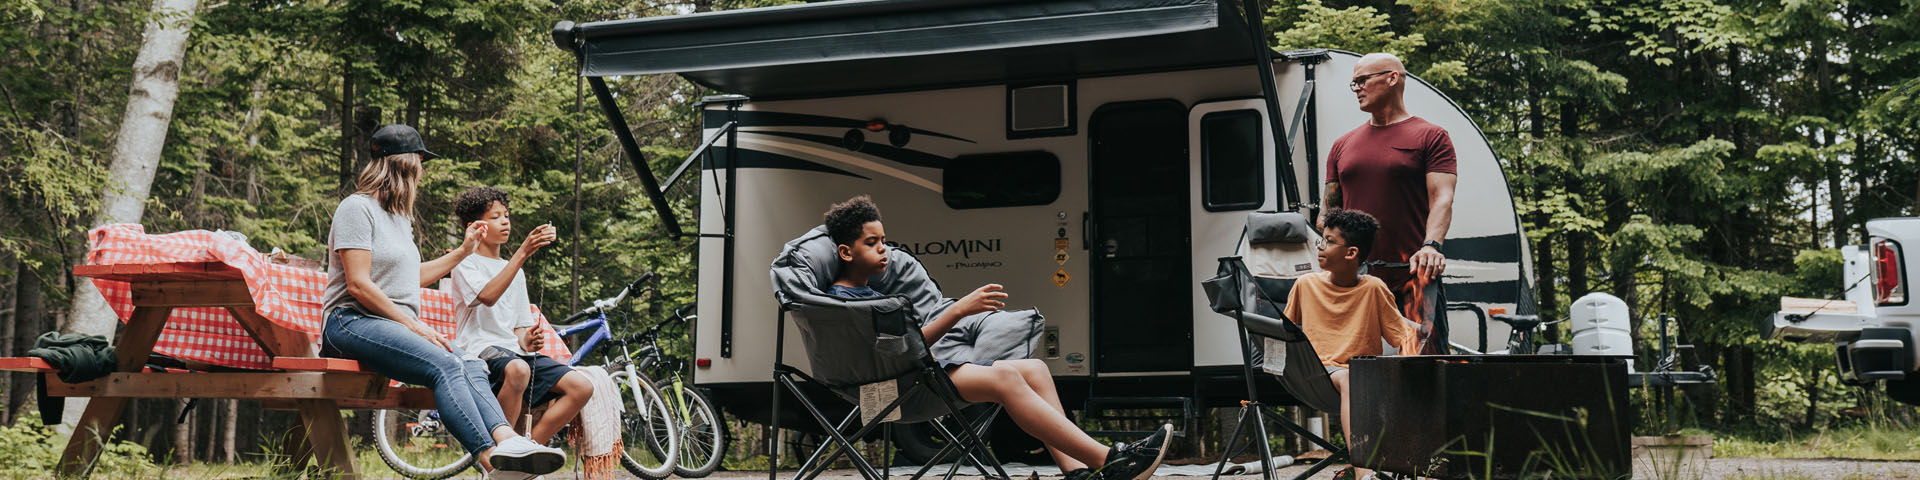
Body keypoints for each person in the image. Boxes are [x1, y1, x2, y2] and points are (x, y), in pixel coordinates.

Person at [818, 195, 1169, 480]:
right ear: (846, 253)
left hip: (919, 376)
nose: (884, 250)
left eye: (884, 241)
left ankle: (1077, 472)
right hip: (892, 393)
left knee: (1034, 368)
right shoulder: (845, 303)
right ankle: (1111, 461)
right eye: (872, 243)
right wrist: (958, 311)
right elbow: (892, 355)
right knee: (1005, 376)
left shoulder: (869, 293)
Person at [320, 125, 563, 480]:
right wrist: (413, 324)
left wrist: (464, 252)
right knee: (446, 364)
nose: (422, 171)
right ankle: (491, 462)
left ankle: (507, 442)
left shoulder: (400, 220)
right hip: (350, 322)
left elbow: (410, 278)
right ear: (403, 164)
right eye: (420, 162)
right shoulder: (356, 209)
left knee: (471, 364)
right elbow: (358, 285)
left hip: (389, 325)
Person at [1283, 209, 1422, 480]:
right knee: (1349, 378)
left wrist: (1428, 341)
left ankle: (1421, 465)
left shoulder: (1373, 288)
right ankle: (1363, 474)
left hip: (1365, 374)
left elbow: (1403, 337)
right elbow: (1284, 334)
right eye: (1321, 240)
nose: (1320, 247)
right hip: (1318, 373)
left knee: (1369, 376)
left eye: (1330, 241)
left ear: (1351, 253)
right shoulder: (1305, 285)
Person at [448, 186, 594, 444]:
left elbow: (519, 330)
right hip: (480, 350)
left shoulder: (514, 269)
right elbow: (488, 296)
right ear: (475, 226)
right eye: (495, 217)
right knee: (518, 369)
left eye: (506, 215)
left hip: (514, 353)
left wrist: (529, 340)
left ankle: (525, 450)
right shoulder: (464, 262)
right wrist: (523, 252)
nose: (504, 221)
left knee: (581, 387)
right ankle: (503, 450)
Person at [1322, 52, 1458, 306]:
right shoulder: (1342, 146)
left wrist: (1431, 246)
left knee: (1421, 347)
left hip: (1414, 275)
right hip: (1354, 280)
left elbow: (1442, 197)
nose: (1357, 89)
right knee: (1357, 348)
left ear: (1392, 78)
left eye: (1362, 80)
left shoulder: (1431, 136)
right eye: (1354, 83)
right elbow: (1328, 214)